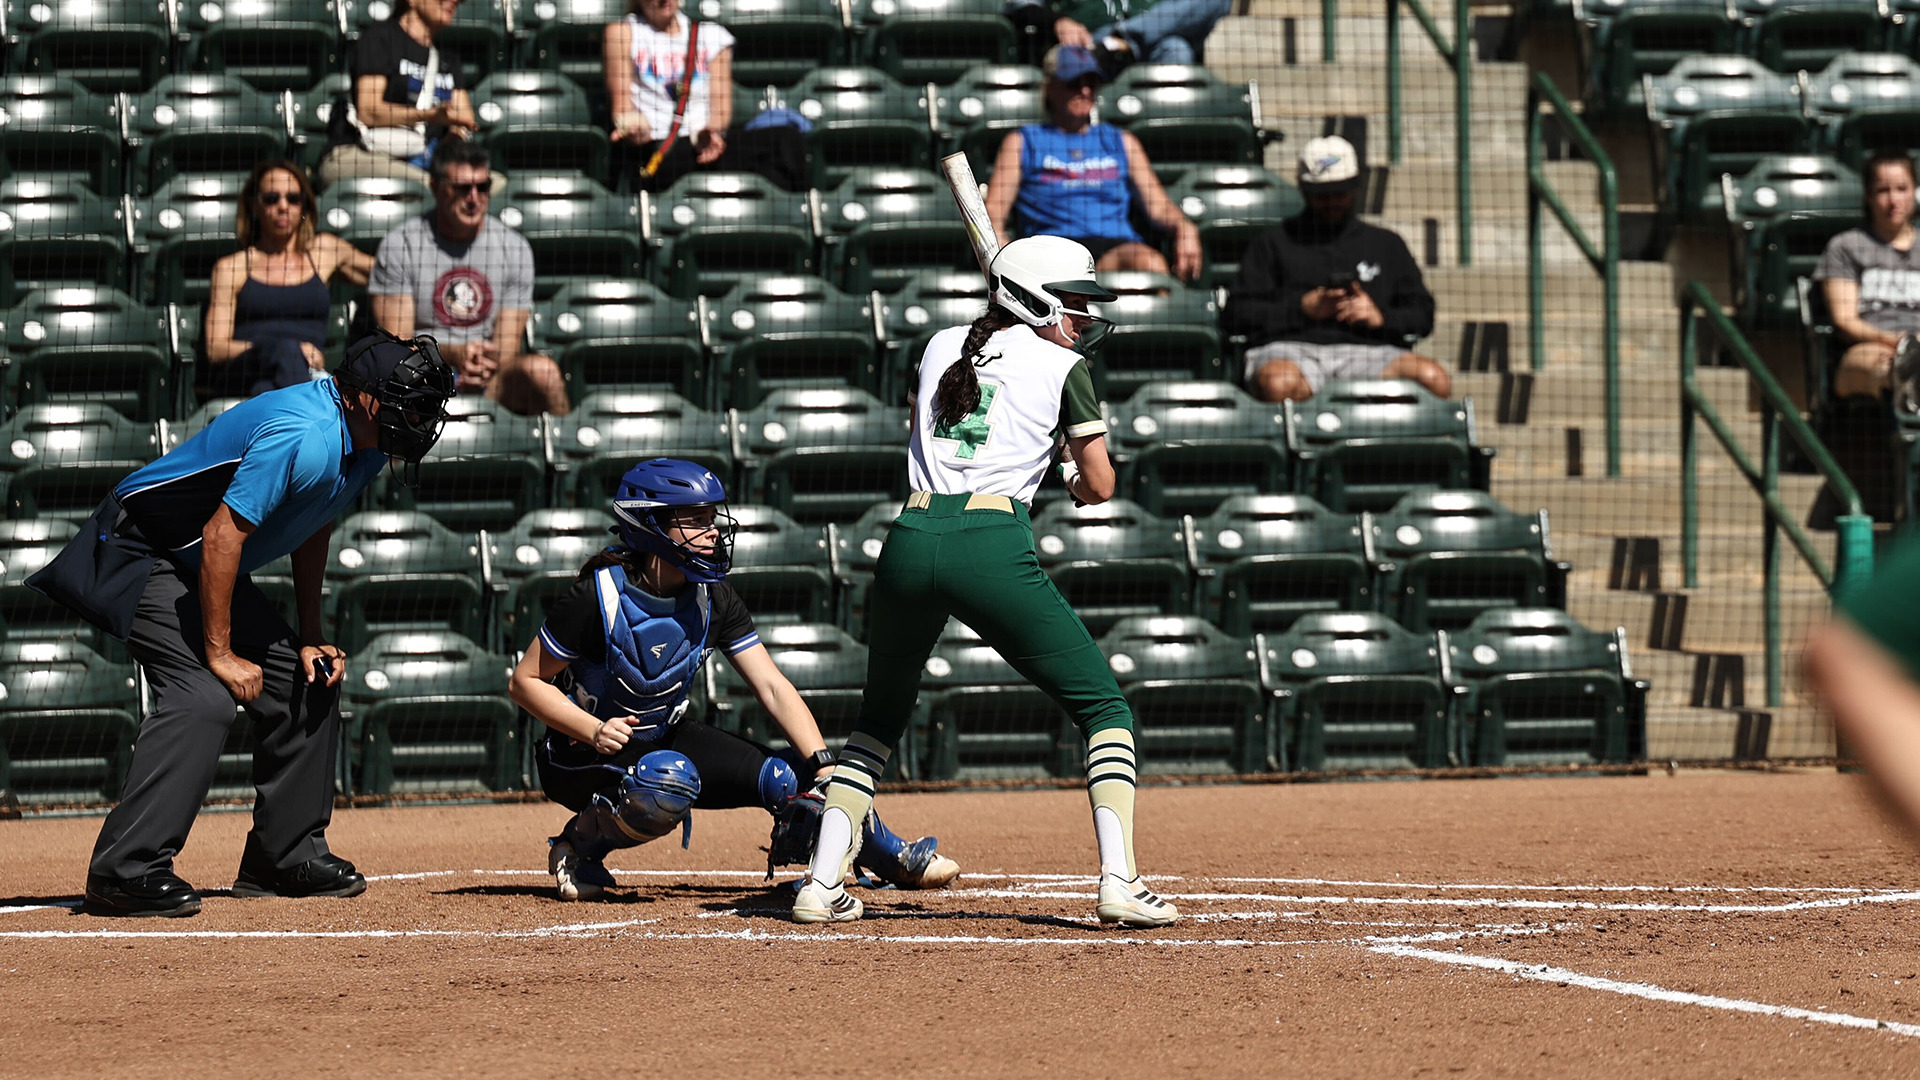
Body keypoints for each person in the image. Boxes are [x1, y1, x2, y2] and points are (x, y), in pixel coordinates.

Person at [792, 235, 1177, 928]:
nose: (1083, 317)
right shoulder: (1064, 365)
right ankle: (1119, 881)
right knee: (1105, 711)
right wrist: (1063, 468)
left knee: (876, 723)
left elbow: (983, 413)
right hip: (991, 545)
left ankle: (820, 884)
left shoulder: (941, 344)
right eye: (1075, 302)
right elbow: (1100, 485)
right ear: (1035, 297)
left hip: (909, 541)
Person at [24, 332, 457, 917]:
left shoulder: (371, 443)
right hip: (137, 552)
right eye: (408, 402)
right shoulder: (302, 434)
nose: (421, 417)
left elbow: (315, 520)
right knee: (203, 696)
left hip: (193, 564)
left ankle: (284, 855)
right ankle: (124, 870)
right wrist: (221, 652)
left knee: (311, 675)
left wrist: (309, 635)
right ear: (362, 399)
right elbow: (222, 536)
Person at [508, 458, 960, 901]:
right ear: (653, 527)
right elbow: (524, 682)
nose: (713, 533)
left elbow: (772, 686)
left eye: (713, 519)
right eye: (697, 521)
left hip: (663, 734)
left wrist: (823, 766)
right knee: (667, 779)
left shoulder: (714, 596)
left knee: (789, 777)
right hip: (578, 755)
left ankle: (886, 855)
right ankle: (579, 847)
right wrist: (594, 729)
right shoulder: (598, 595)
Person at [1223, 135, 1447, 404]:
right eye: (1322, 195)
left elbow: (1422, 314)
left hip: (1370, 353)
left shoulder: (1386, 244)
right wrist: (1302, 310)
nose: (1332, 202)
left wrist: (1381, 318)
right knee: (1277, 382)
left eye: (1340, 193)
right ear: (1304, 190)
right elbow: (1236, 315)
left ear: (1355, 187)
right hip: (1291, 352)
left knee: (1434, 379)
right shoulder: (1273, 243)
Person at [371, 141, 569, 416]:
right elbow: (398, 346)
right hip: (420, 378)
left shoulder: (513, 247)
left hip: (489, 379)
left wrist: (482, 365)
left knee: (543, 372)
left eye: (482, 187)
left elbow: (507, 347)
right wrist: (453, 354)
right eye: (462, 188)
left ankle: (565, 455)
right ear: (436, 188)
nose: (474, 198)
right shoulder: (401, 245)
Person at [984, 45, 1201, 282]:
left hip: (1113, 247)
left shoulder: (1121, 141)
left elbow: (1158, 206)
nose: (1085, 91)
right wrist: (1003, 246)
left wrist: (1184, 226)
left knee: (1150, 264)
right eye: (1074, 83)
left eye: (1091, 83)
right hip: (1053, 252)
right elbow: (995, 211)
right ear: (1051, 87)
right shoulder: (1022, 142)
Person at [203, 161, 374, 398]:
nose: (283, 206)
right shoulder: (232, 267)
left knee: (267, 394)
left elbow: (388, 272)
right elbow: (216, 348)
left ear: (304, 204)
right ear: (254, 205)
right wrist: (286, 350)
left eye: (293, 198)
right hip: (247, 371)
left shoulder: (324, 251)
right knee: (284, 354)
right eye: (272, 198)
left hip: (291, 378)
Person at [602, 0, 809, 193]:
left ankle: (776, 219)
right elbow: (622, 110)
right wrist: (635, 129)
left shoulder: (711, 35)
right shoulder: (622, 33)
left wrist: (708, 133)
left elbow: (721, 110)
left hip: (703, 143)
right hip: (657, 149)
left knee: (787, 140)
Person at [317, 0, 497, 193]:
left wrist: (457, 132)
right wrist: (429, 115)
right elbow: (369, 112)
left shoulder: (448, 60)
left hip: (420, 162)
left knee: (494, 187)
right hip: (359, 154)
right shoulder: (380, 38)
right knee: (434, 190)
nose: (454, 1)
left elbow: (464, 119)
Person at [1815, 150, 1920, 410]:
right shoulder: (1847, 246)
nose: (1893, 200)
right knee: (1887, 366)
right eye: (1883, 190)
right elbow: (1844, 320)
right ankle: (1907, 387)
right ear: (1868, 196)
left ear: (1915, 191)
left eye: (1902, 189)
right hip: (1869, 347)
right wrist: (1897, 341)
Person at [1005, 0, 1229, 73]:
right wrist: (1057, 21)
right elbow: (1020, 5)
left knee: (1176, 47)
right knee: (1177, 48)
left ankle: (1121, 40)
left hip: (1151, 43)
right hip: (1088, 46)